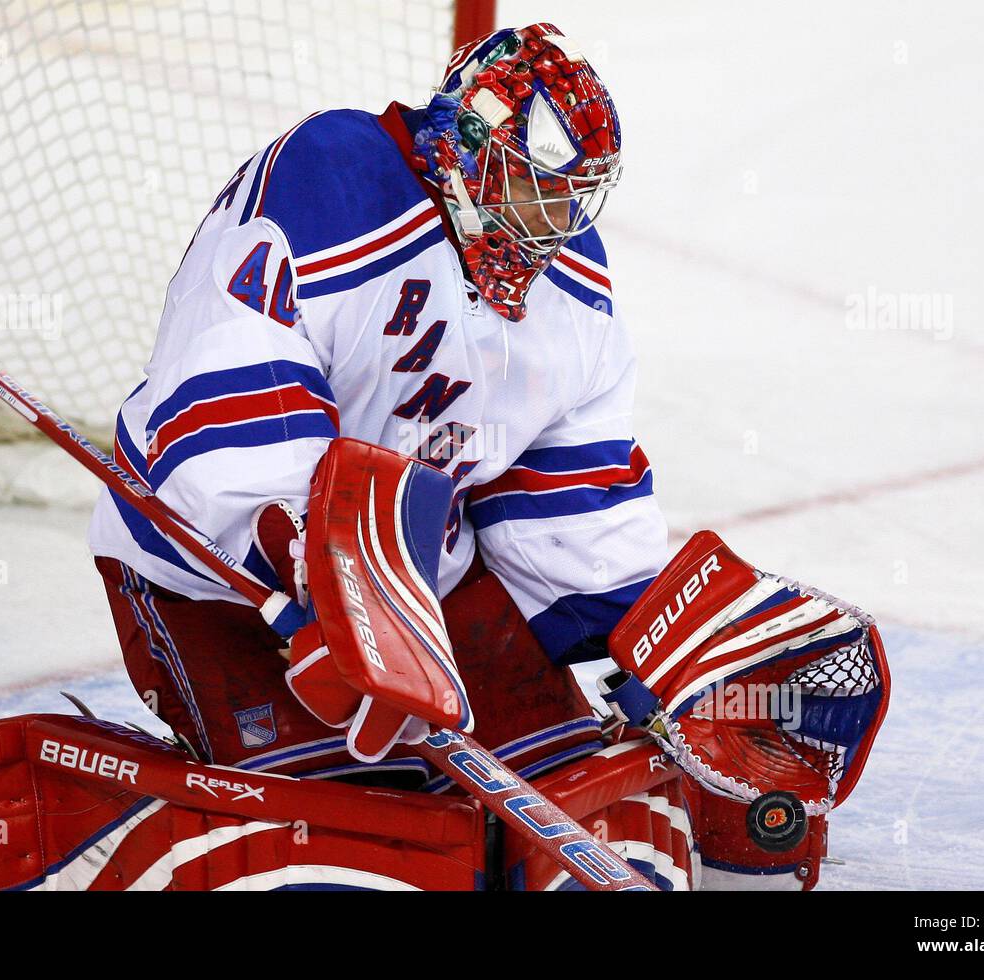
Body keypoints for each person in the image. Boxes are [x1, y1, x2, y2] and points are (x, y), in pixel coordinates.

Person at [87, 22, 666, 788]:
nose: (553, 225)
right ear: (467, 146)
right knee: (360, 831)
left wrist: (634, 643)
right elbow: (236, 399)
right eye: (535, 187)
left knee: (569, 785)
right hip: (223, 579)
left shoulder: (571, 278)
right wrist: (322, 584)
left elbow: (562, 486)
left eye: (571, 198)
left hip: (420, 585)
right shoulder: (333, 181)